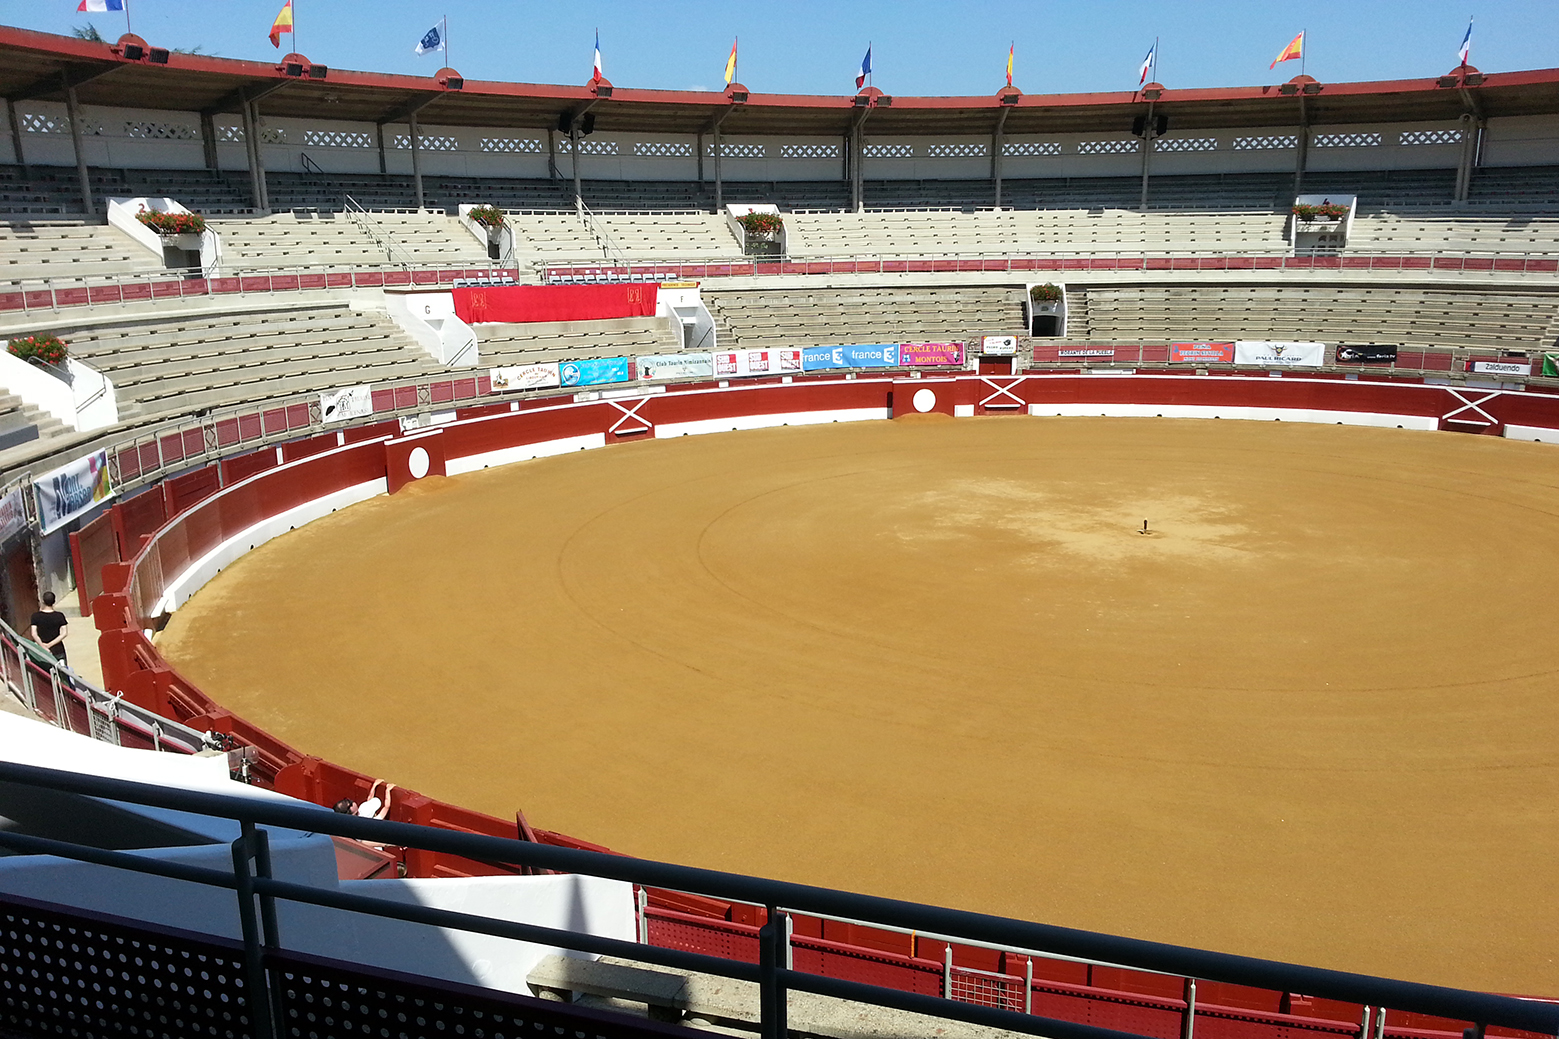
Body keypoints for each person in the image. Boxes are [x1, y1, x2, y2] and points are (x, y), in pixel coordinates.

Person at [29, 591, 68, 665]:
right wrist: (50, 644)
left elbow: (34, 634)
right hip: (58, 649)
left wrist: (43, 646)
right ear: (54, 601)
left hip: (41, 650)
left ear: (43, 601)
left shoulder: (35, 616)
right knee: (62, 671)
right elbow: (64, 633)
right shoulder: (59, 616)